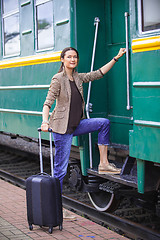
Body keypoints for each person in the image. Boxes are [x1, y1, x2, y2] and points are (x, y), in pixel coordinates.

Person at [41, 47, 126, 189]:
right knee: (60, 170)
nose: (73, 59)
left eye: (75, 57)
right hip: (62, 129)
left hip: (76, 124)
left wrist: (115, 58)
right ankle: (55, 201)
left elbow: (99, 73)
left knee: (103, 123)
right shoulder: (58, 79)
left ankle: (104, 164)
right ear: (62, 59)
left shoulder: (78, 77)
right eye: (69, 57)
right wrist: (45, 121)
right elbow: (47, 103)